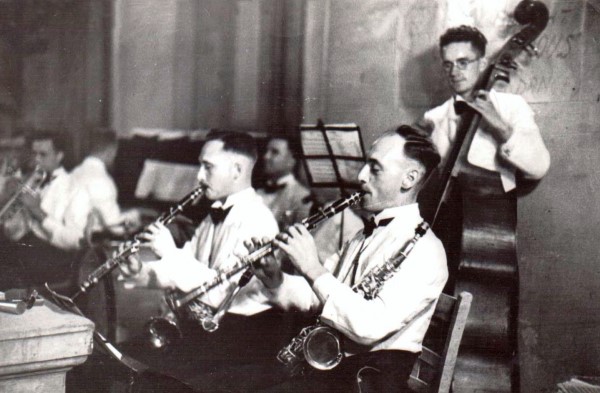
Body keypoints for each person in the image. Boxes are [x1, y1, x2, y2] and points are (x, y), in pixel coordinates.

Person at [184, 125, 448, 392]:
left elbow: (368, 327)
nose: (361, 176)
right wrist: (275, 278)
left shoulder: (425, 251)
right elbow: (313, 298)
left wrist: (312, 267)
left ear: (409, 178)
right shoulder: (361, 236)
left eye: (375, 168)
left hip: (366, 381)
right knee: (208, 384)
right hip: (327, 371)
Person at [118, 131, 286, 387]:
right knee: (123, 358)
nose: (198, 176)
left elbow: (221, 293)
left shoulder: (259, 221)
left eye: (207, 167)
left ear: (237, 170)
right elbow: (182, 269)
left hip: (235, 344)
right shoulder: (212, 216)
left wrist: (170, 253)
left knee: (144, 376)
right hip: (205, 335)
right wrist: (141, 270)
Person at [420, 25, 550, 192]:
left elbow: (539, 167)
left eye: (463, 63)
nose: (454, 72)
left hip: (492, 212)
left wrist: (502, 128)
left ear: (481, 64)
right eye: (448, 65)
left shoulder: (512, 105)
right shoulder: (433, 117)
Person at [0, 131, 91, 289]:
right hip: (27, 249)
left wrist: (38, 212)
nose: (36, 160)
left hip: (56, 259)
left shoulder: (75, 188)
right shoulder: (32, 181)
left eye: (43, 154)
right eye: (34, 154)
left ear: (59, 155)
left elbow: (76, 240)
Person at [70, 131, 140, 240]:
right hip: (92, 244)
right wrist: (135, 216)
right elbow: (116, 228)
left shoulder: (75, 172)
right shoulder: (102, 180)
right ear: (110, 151)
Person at [256, 135, 312, 230]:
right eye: (266, 151)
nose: (266, 156)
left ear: (291, 160)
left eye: (275, 152)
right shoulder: (257, 192)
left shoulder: (302, 197)